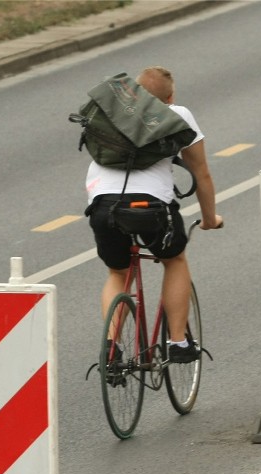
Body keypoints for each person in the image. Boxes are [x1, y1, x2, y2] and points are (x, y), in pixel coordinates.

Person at [85, 66, 223, 363]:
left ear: (133, 92)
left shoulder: (110, 111)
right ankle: (177, 342)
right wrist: (210, 218)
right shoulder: (178, 114)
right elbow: (201, 172)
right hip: (152, 207)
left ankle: (111, 347)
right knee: (174, 260)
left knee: (117, 273)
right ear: (170, 97)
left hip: (103, 204)